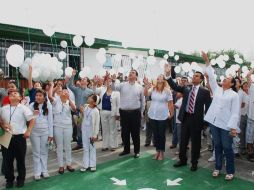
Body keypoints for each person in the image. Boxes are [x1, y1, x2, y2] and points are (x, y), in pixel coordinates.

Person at [164, 63, 211, 171]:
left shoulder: (205, 92)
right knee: (183, 140)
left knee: (195, 142)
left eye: (197, 76)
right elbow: (174, 86)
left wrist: (205, 122)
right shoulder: (186, 88)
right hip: (185, 118)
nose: (194, 76)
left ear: (201, 80)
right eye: (194, 75)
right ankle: (182, 160)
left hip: (197, 120)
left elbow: (208, 108)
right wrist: (168, 75)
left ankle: (194, 163)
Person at [203, 52, 240, 180]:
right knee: (217, 146)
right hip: (214, 123)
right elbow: (212, 77)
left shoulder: (234, 95)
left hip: (226, 125)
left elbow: (235, 112)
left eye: (228, 78)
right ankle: (217, 167)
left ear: (231, 84)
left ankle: (230, 171)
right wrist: (207, 60)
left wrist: (233, 128)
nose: (225, 78)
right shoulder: (217, 89)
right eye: (225, 77)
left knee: (227, 147)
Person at [0, 90, 35, 188]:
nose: (12, 94)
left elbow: (32, 120)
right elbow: (0, 121)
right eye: (11, 93)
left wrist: (28, 131)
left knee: (20, 160)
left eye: (15, 93)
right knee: (7, 160)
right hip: (5, 136)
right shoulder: (3, 108)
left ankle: (21, 179)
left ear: (20, 98)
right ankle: (9, 180)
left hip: (19, 137)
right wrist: (3, 125)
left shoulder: (24, 108)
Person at [112, 70, 145, 158]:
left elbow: (142, 101)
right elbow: (113, 88)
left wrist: (141, 112)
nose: (131, 73)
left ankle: (136, 151)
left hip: (135, 113)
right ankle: (126, 150)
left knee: (135, 133)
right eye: (130, 72)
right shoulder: (122, 85)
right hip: (124, 113)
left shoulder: (140, 87)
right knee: (125, 133)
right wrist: (113, 80)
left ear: (136, 76)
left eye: (133, 72)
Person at [144, 74, 174, 160]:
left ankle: (161, 152)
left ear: (164, 80)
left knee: (161, 135)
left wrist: (171, 113)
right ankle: (157, 151)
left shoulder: (167, 91)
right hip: (152, 115)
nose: (158, 78)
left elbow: (170, 103)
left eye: (160, 77)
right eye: (157, 77)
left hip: (162, 116)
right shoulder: (153, 89)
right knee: (156, 135)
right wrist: (146, 85)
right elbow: (145, 94)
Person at [48, 82, 76, 174]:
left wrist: (69, 99)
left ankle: (69, 164)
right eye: (61, 91)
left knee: (68, 146)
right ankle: (61, 166)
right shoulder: (55, 100)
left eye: (65, 91)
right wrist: (53, 86)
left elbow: (74, 109)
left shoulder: (69, 101)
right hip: (58, 126)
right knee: (59, 147)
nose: (63, 93)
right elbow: (49, 96)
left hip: (68, 126)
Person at [29, 89, 53, 180]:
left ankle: (44, 171)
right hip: (34, 132)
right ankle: (37, 172)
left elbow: (50, 120)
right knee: (36, 152)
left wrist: (51, 134)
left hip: (45, 132)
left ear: (44, 97)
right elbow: (28, 119)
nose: (37, 97)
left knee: (44, 152)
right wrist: (34, 115)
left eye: (40, 95)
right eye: (36, 95)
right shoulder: (31, 105)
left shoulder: (48, 106)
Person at [66, 70, 93, 151]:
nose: (82, 80)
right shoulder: (77, 89)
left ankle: (87, 142)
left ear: (87, 82)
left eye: (84, 79)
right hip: (78, 112)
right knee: (78, 128)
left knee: (87, 127)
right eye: (82, 79)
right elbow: (69, 85)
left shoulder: (90, 91)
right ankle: (80, 143)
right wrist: (73, 75)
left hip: (86, 112)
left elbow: (93, 101)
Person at [94, 75, 120, 151]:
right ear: (105, 82)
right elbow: (94, 91)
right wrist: (95, 83)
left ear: (112, 82)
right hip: (103, 111)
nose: (108, 82)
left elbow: (118, 104)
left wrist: (118, 114)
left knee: (113, 129)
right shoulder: (102, 89)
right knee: (105, 129)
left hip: (112, 112)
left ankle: (113, 145)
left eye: (109, 81)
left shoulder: (116, 92)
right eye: (107, 81)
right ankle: (105, 145)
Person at [80, 94, 100, 172]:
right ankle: (85, 165)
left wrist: (95, 135)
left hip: (91, 131)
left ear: (94, 102)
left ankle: (92, 164)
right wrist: (82, 112)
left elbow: (97, 124)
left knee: (92, 147)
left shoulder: (96, 111)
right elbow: (84, 116)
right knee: (85, 147)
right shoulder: (86, 106)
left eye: (91, 98)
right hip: (84, 130)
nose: (89, 98)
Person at [246, 68, 254, 162]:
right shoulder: (252, 86)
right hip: (251, 117)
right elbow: (248, 75)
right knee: (249, 137)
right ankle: (250, 153)